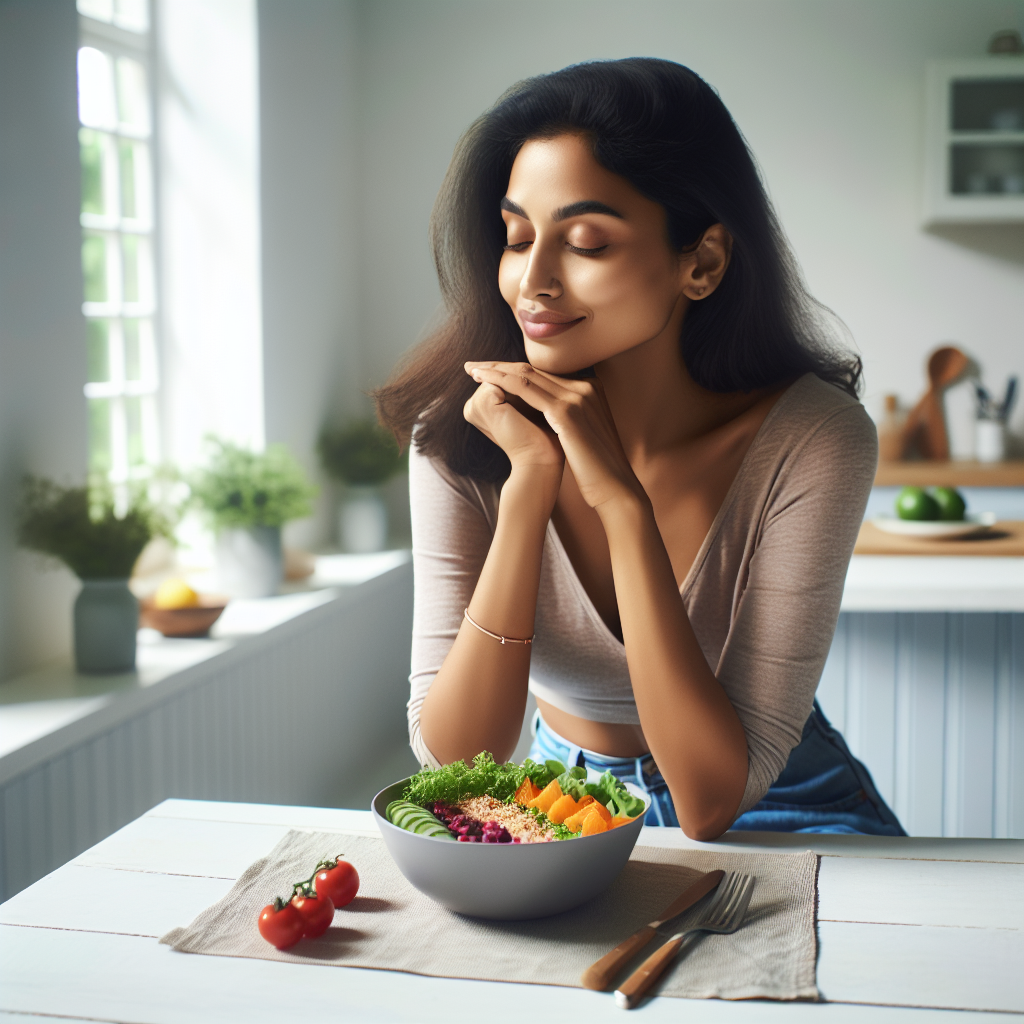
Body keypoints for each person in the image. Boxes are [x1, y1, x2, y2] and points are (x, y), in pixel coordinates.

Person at [375, 58, 904, 840]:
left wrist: (622, 506)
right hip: (557, 801)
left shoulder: (812, 438)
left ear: (703, 263)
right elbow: (458, 762)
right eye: (518, 237)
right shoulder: (459, 436)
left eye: (587, 243)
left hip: (780, 800)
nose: (533, 282)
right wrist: (529, 490)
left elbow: (709, 801)